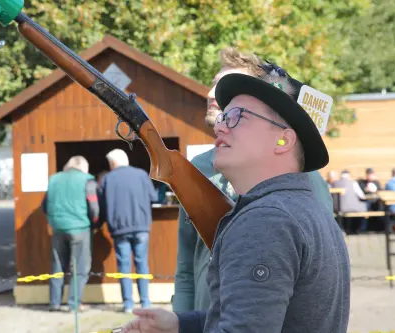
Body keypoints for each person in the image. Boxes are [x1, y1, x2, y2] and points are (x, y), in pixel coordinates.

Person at [123, 62, 350, 332]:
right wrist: (180, 324)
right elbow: (257, 315)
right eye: (223, 117)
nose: (220, 127)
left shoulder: (266, 220)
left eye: (237, 116)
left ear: (284, 141)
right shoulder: (302, 209)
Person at [172, 47, 335, 313]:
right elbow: (186, 265)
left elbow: (320, 269)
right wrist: (181, 322)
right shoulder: (197, 168)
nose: (211, 94)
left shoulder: (302, 178)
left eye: (224, 86)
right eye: (213, 83)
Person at [97, 148, 158, 313]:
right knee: (142, 263)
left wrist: (98, 224)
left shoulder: (108, 179)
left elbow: (101, 206)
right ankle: (145, 302)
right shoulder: (141, 174)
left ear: (113, 163)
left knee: (123, 265)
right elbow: (154, 197)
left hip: (119, 228)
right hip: (141, 226)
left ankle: (128, 305)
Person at [41, 155, 99, 312]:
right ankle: (74, 304)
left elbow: (44, 206)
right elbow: (94, 208)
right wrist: (95, 223)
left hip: (58, 228)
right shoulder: (87, 180)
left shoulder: (53, 179)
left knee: (57, 266)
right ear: (83, 167)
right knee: (79, 267)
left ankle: (54, 303)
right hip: (80, 228)